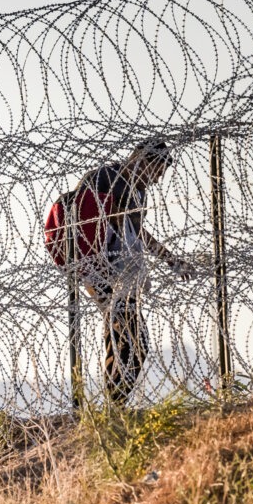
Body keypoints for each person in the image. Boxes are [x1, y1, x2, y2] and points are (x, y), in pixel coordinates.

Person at [73, 140, 195, 404]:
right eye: (156, 172)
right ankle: (115, 403)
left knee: (130, 338)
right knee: (126, 334)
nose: (155, 181)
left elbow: (137, 233)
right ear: (140, 158)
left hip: (123, 274)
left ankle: (116, 402)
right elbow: (81, 221)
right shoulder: (104, 178)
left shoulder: (138, 193)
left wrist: (170, 260)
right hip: (99, 269)